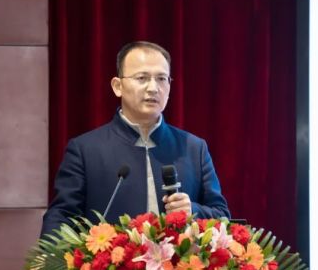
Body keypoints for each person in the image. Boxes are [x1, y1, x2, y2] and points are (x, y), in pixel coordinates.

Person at [41, 41, 230, 237]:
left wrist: (193, 210)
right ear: (118, 86)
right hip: (111, 256)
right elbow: (62, 217)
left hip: (180, 257)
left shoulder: (193, 148)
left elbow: (222, 215)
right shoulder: (85, 150)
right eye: (142, 78)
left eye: (161, 79)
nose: (153, 88)